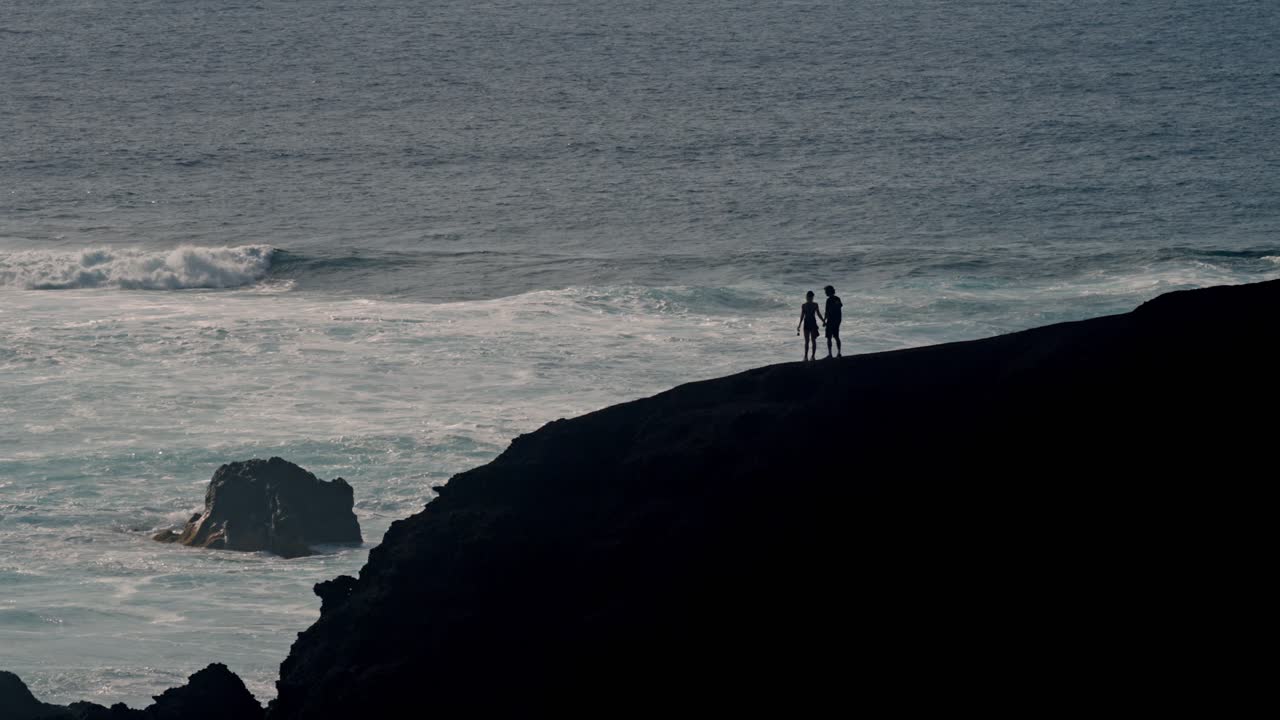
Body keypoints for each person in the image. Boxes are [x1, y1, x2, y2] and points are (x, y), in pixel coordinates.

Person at [796, 290, 824, 361]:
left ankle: (812, 356)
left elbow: (818, 314)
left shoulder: (814, 305)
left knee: (812, 341)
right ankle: (806, 357)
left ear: (812, 297)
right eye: (808, 297)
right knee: (807, 341)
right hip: (807, 323)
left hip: (812, 323)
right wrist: (799, 325)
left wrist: (823, 321)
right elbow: (802, 316)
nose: (809, 298)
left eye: (810, 297)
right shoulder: (804, 305)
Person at [823, 285, 843, 358]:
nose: (825, 293)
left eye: (826, 292)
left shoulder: (830, 300)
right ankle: (838, 353)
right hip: (837, 320)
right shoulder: (836, 298)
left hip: (832, 320)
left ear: (829, 291)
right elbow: (840, 305)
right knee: (836, 336)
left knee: (829, 337)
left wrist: (824, 321)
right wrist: (825, 320)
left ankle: (830, 354)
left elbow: (827, 312)